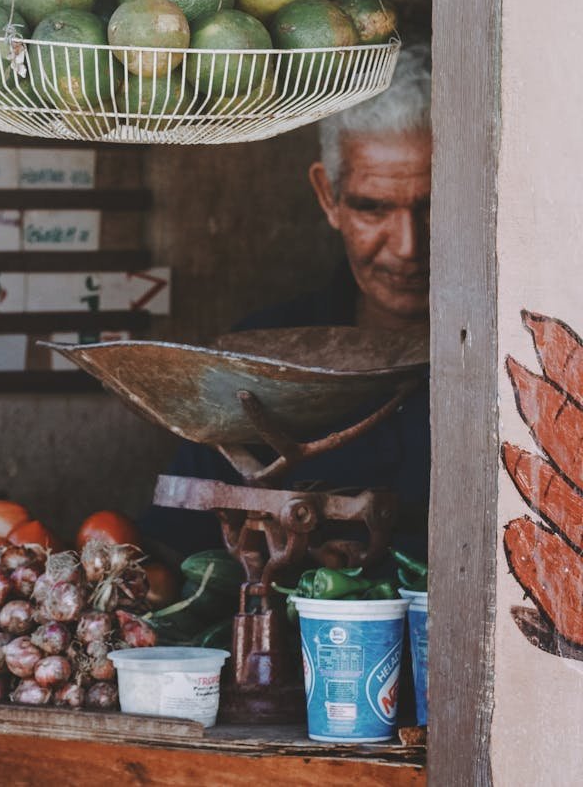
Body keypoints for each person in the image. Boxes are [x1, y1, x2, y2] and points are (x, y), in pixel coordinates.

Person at [143, 44, 433, 563]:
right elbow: (175, 560)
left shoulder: (521, 363)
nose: (409, 244)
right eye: (373, 208)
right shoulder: (260, 363)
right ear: (328, 196)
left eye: (433, 206)